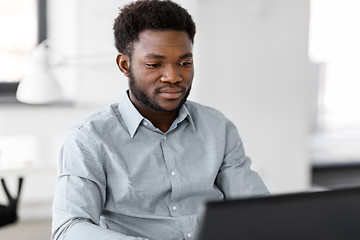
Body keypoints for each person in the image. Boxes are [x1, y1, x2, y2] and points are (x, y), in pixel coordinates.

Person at [51, 1, 269, 240]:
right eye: (155, 64)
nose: (174, 77)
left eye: (185, 63)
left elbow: (256, 209)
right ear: (125, 65)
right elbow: (69, 229)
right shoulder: (89, 138)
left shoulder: (218, 127)